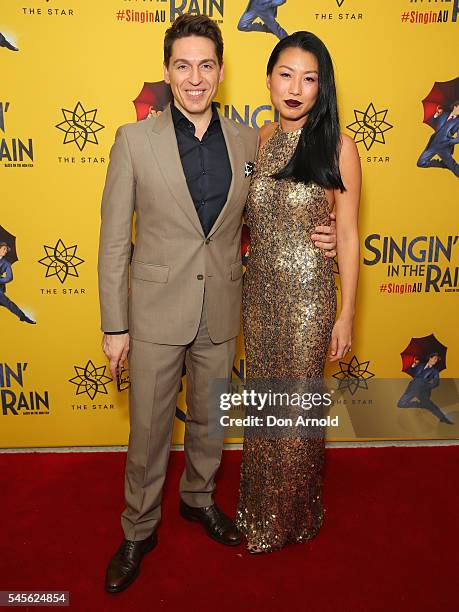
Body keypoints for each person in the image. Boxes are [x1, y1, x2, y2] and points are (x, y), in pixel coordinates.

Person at [98, 15, 337, 593]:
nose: (195, 77)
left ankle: (199, 500)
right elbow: (111, 240)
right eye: (183, 65)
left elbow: (281, 201)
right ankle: (137, 528)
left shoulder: (245, 139)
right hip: (154, 311)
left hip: (224, 307)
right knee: (149, 430)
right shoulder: (134, 140)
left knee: (209, 421)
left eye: (206, 65)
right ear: (166, 72)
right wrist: (115, 326)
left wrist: (325, 232)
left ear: (222, 71)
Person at [235, 31, 361, 553]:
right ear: (268, 80)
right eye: (285, 75)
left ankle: (294, 513)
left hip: (310, 297)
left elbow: (349, 234)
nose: (295, 88)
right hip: (258, 293)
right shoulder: (255, 141)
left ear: (321, 87)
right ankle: (259, 511)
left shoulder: (338, 146)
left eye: (309, 78)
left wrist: (346, 314)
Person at [397, 353, 453, 424]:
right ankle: (421, 405)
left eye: (437, 360)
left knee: (430, 405)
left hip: (423, 389)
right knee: (401, 404)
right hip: (412, 386)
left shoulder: (434, 371)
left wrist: (427, 387)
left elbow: (436, 383)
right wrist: (413, 365)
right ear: (430, 358)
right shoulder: (420, 365)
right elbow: (410, 372)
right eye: (435, 358)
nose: (435, 361)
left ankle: (443, 418)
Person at [417, 102, 459, 178]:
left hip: (444, 146)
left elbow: (457, 139)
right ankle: (445, 164)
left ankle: (448, 164)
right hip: (433, 143)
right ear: (455, 106)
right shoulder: (443, 114)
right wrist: (436, 115)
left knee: (455, 168)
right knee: (421, 163)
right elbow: (432, 123)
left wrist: (449, 142)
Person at [0, 242, 35, 324]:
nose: (5, 251)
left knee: (8, 303)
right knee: (6, 303)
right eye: (4, 249)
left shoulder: (6, 263)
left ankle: (22, 316)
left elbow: (9, 277)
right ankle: (22, 316)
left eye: (6, 249)